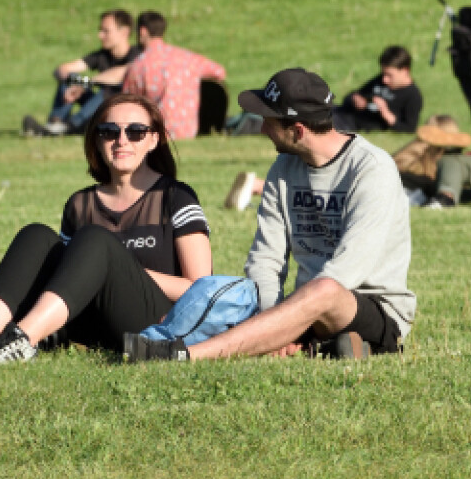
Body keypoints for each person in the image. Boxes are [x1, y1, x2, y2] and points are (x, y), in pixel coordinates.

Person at [123, 69, 413, 361]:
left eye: (268, 122)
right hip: (306, 308)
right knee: (229, 292)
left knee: (325, 289)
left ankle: (184, 355)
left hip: (375, 310)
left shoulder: (371, 169)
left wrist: (290, 328)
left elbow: (348, 270)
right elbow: (265, 258)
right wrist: (273, 319)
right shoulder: (283, 168)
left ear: (298, 131)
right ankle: (338, 344)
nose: (262, 129)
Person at [0, 93, 213, 364]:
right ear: (97, 139)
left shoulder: (176, 197)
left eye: (136, 132)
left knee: (96, 241)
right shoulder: (80, 204)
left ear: (153, 139)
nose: (121, 140)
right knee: (35, 235)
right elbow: (65, 281)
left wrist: (114, 268)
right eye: (109, 131)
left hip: (156, 323)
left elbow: (202, 290)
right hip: (90, 324)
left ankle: (20, 341)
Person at [23, 9, 140, 137]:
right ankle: (56, 122)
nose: (100, 35)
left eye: (106, 31)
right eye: (100, 30)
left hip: (122, 111)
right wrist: (73, 83)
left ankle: (71, 125)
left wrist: (86, 84)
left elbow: (121, 74)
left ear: (124, 32)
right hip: (99, 109)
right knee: (71, 78)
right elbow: (61, 70)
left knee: (108, 92)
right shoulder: (102, 55)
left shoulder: (138, 56)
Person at [118, 11, 226, 141]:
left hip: (157, 133)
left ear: (142, 31)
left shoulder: (139, 65)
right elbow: (219, 72)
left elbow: (127, 102)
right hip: (188, 131)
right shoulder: (186, 58)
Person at [334, 45, 424, 134]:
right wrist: (355, 99)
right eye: (384, 74)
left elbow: (409, 129)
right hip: (343, 112)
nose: (385, 79)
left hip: (352, 123)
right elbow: (352, 96)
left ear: (405, 70)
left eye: (389, 75)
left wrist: (385, 112)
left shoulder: (413, 96)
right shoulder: (380, 80)